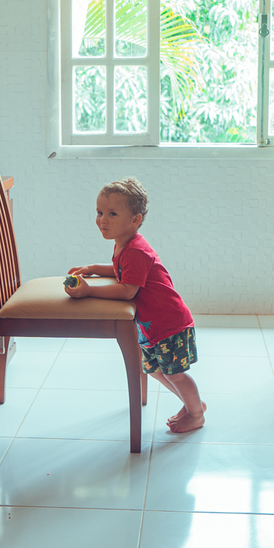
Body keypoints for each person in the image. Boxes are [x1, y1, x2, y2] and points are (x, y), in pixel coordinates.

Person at [65, 177, 205, 433]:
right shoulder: (124, 246)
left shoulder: (135, 250)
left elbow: (128, 290)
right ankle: (192, 403)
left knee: (174, 374)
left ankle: (196, 414)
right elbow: (122, 271)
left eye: (112, 213)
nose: (102, 220)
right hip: (153, 326)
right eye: (99, 212)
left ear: (135, 220)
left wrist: (88, 292)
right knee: (155, 371)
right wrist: (95, 269)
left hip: (169, 324)